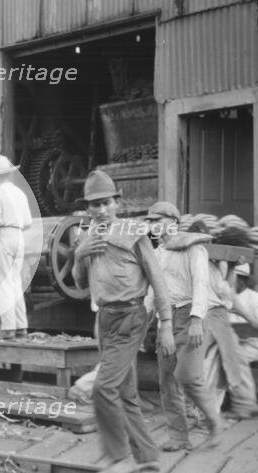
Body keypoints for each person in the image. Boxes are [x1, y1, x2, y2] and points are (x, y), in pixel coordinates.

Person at [72, 171, 174, 473]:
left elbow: (158, 279)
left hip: (131, 317)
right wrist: (79, 255)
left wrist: (166, 323)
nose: (101, 210)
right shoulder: (88, 236)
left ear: (117, 202)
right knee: (126, 392)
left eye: (106, 203)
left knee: (104, 387)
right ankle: (148, 458)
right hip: (106, 319)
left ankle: (116, 457)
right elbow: (80, 283)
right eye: (95, 205)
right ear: (88, 209)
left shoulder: (135, 234)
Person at [144, 203, 224, 452]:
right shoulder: (157, 253)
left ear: (172, 221)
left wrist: (197, 319)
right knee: (167, 380)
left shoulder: (194, 248)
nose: (152, 225)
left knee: (188, 376)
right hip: (166, 320)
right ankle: (179, 437)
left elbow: (201, 283)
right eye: (149, 221)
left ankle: (215, 425)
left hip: (192, 315)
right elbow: (152, 292)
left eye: (157, 219)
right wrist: (144, 322)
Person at [0, 155, 32, 340]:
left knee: (3, 283)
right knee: (15, 282)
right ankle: (21, 326)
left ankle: (8, 328)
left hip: (3, 235)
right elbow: (27, 222)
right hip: (19, 235)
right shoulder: (19, 193)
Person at [222, 263, 258, 419]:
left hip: (252, 343)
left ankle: (244, 403)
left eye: (234, 277)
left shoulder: (254, 298)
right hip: (229, 340)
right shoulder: (225, 294)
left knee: (235, 358)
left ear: (242, 279)